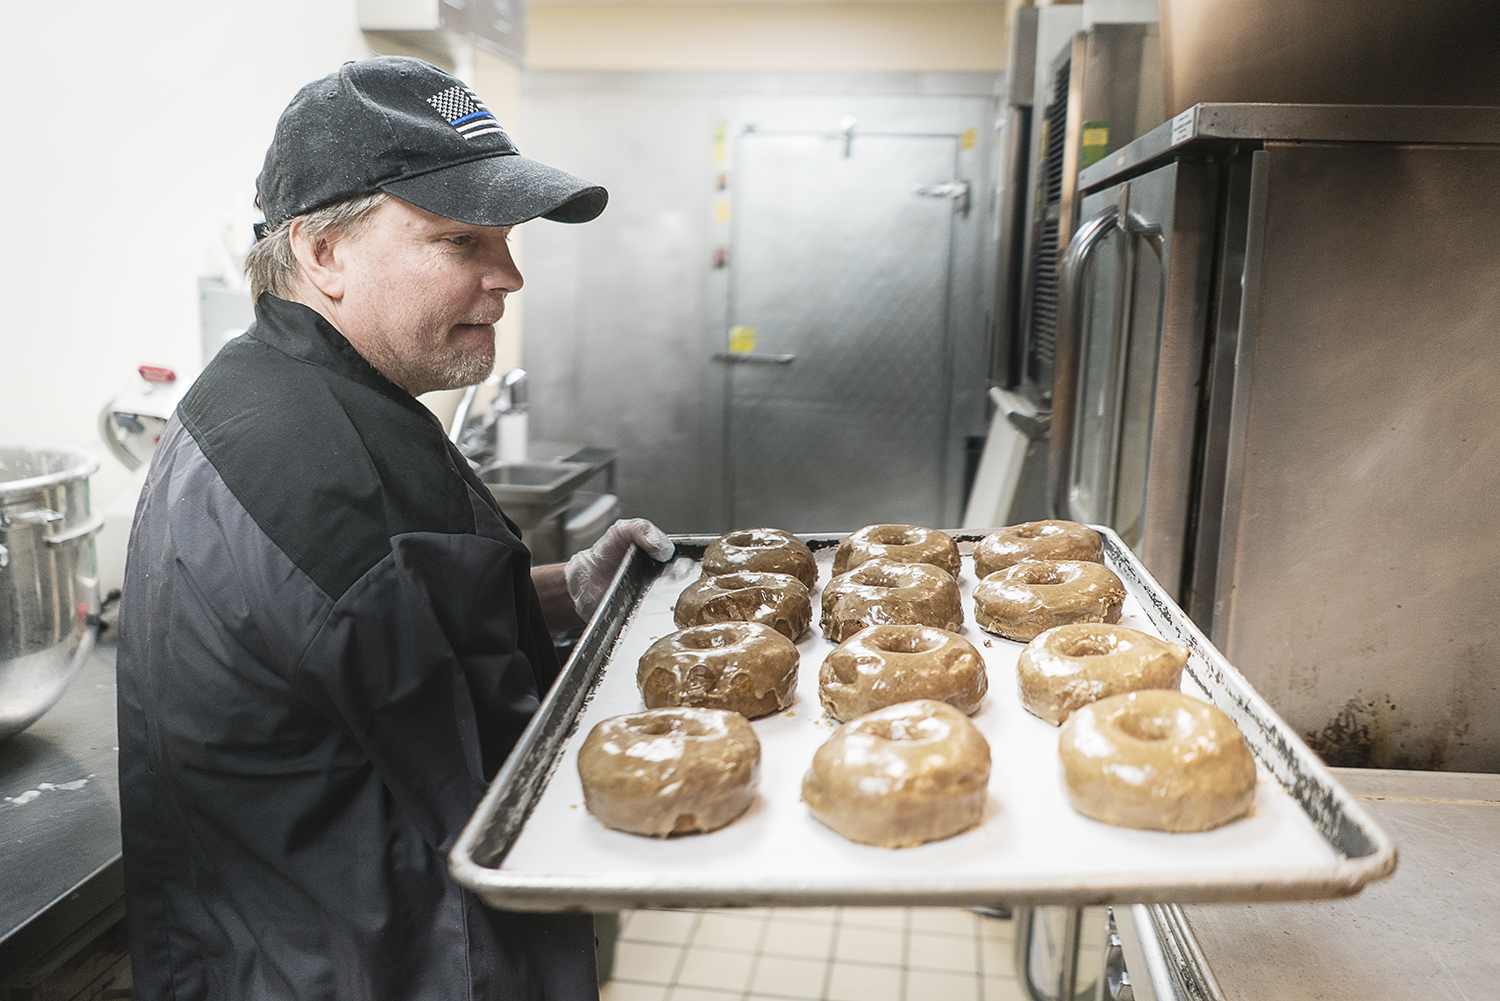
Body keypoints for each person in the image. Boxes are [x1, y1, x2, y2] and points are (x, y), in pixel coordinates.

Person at [115, 56, 673, 1001]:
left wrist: (559, 592)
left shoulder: (271, 390)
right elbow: (516, 806)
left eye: (504, 235)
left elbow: (386, 642)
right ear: (322, 253)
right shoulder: (336, 478)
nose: (509, 275)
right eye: (461, 240)